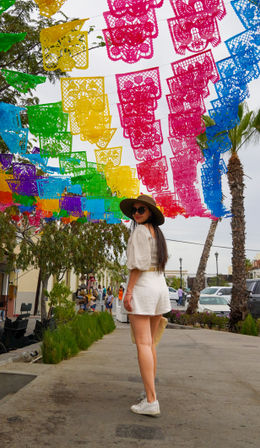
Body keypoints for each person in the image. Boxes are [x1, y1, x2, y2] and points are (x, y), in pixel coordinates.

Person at [119, 194, 171, 417]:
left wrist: (128, 291)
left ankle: (151, 400)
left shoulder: (140, 232)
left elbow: (137, 265)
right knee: (149, 345)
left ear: (150, 212)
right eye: (135, 210)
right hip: (160, 285)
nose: (137, 213)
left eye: (142, 210)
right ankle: (150, 393)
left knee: (143, 344)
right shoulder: (156, 233)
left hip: (144, 287)